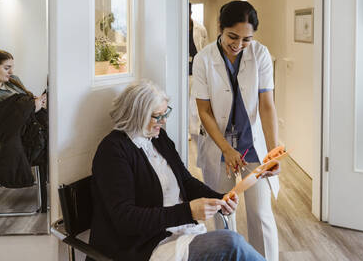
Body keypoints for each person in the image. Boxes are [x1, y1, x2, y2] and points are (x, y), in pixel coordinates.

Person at [88, 80, 265, 261]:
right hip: (143, 246)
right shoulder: (112, 151)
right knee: (231, 244)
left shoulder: (157, 138)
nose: (163, 121)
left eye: (165, 113)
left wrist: (219, 199)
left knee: (231, 245)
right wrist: (188, 212)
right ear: (137, 115)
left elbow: (185, 181)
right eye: (157, 116)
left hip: (176, 231)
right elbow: (126, 219)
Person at [192, 0, 280, 260]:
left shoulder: (260, 54)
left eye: (246, 38)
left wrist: (274, 151)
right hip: (219, 147)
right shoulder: (203, 59)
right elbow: (204, 111)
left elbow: (266, 106)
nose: (239, 44)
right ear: (220, 27)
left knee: (261, 213)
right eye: (233, 36)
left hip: (252, 145)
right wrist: (227, 149)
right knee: (224, 214)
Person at [0, 49, 47, 207]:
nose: (11, 72)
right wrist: (33, 107)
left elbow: (26, 102)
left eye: (12, 67)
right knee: (50, 140)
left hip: (29, 128)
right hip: (7, 138)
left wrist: (38, 102)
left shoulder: (13, 80)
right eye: (6, 68)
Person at [189, 3, 208, 140]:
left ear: (190, 12)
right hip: (182, 72)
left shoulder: (200, 28)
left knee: (197, 102)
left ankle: (197, 129)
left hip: (197, 71)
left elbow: (206, 50)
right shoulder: (175, 27)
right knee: (184, 103)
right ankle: (187, 130)